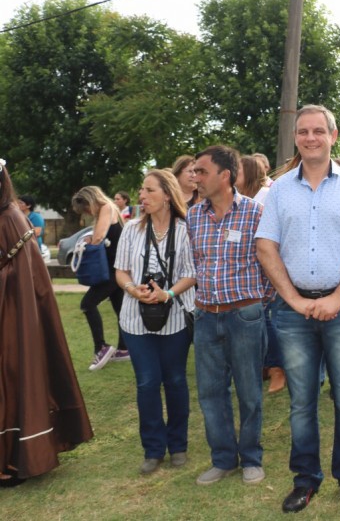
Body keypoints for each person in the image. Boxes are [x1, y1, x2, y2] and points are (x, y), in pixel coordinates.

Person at [256, 104, 340, 513]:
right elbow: (265, 246)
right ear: (296, 137)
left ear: (333, 135)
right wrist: (292, 299)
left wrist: (337, 298)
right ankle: (305, 480)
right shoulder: (280, 190)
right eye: (303, 132)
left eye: (318, 131)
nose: (310, 138)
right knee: (301, 400)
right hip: (291, 312)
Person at [0, 159, 93, 486]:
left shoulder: (11, 219)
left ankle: (13, 460)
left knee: (12, 380)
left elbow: (20, 279)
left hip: (11, 318)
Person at [187, 145, 271, 487]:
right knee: (210, 392)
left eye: (202, 172)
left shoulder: (255, 213)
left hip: (244, 316)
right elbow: (194, 263)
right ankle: (223, 459)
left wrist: (256, 303)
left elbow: (270, 264)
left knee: (249, 391)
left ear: (226, 176)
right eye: (194, 172)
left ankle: (251, 458)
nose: (195, 178)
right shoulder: (193, 216)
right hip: (206, 316)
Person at [114, 170, 196, 475]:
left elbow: (192, 273)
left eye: (149, 190)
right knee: (147, 382)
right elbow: (120, 271)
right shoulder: (131, 228)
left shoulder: (186, 230)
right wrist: (132, 289)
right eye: (141, 190)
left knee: (175, 380)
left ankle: (178, 445)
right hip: (135, 319)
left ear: (166, 194)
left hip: (174, 317)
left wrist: (168, 293)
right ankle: (152, 449)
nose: (142, 196)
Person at [235, 155, 285, 394]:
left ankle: (277, 367)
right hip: (246, 270)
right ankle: (264, 365)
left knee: (266, 319)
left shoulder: (264, 197)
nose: (234, 176)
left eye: (239, 172)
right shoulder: (240, 200)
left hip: (265, 269)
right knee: (255, 320)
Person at [71, 185, 130, 370]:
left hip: (112, 270)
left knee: (87, 304)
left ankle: (101, 348)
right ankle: (124, 349)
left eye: (86, 208)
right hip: (116, 267)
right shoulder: (110, 208)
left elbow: (98, 238)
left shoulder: (106, 208)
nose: (87, 212)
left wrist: (88, 239)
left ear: (91, 200)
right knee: (119, 308)